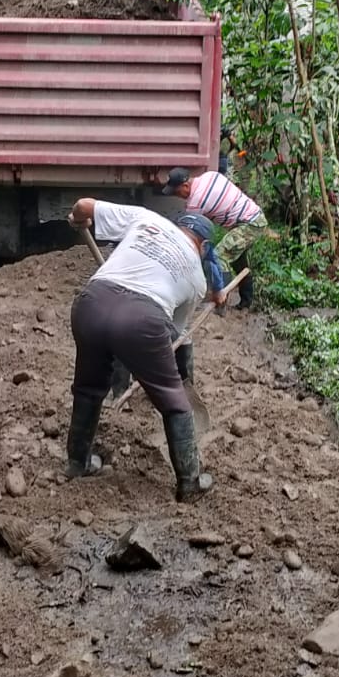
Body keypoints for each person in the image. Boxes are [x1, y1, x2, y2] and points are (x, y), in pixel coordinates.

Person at [65, 201, 224, 502]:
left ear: (178, 226)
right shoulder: (197, 280)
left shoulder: (147, 219)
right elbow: (175, 334)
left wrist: (77, 219)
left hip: (91, 303)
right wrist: (162, 370)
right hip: (143, 321)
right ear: (203, 247)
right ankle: (189, 482)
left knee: (88, 388)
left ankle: (77, 462)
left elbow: (83, 205)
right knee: (175, 404)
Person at [161, 165, 268, 309]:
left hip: (250, 224)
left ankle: (220, 303)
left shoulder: (196, 202)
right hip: (253, 216)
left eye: (176, 192)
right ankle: (246, 302)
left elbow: (192, 236)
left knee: (220, 256)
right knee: (237, 260)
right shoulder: (210, 175)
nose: (177, 196)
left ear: (186, 186)